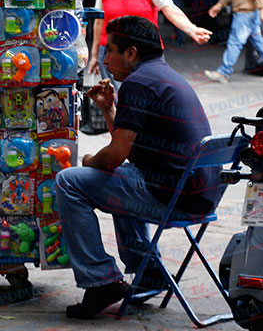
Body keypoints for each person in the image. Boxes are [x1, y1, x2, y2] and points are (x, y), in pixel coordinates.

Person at [56, 16, 220, 319]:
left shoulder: (138, 83)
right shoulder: (162, 75)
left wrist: (90, 161)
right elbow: (129, 148)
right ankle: (149, 272)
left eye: (111, 51)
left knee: (69, 181)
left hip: (174, 198)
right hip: (197, 195)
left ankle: (100, 280)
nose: (105, 60)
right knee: (121, 177)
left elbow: (115, 155)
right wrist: (108, 109)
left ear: (131, 53)